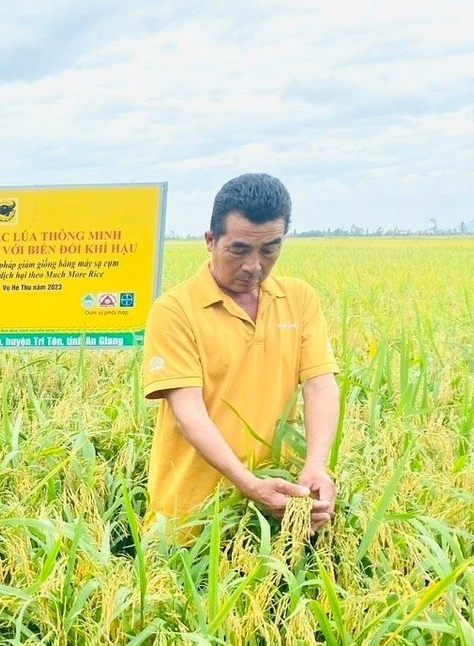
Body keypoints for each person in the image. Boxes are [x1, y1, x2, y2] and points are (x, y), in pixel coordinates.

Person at [140, 173, 340, 535]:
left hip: (278, 511)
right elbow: (189, 415)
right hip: (189, 520)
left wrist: (316, 466)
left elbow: (319, 385)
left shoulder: (299, 299)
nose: (254, 266)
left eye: (269, 249)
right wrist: (248, 484)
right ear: (210, 240)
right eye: (239, 249)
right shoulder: (175, 310)